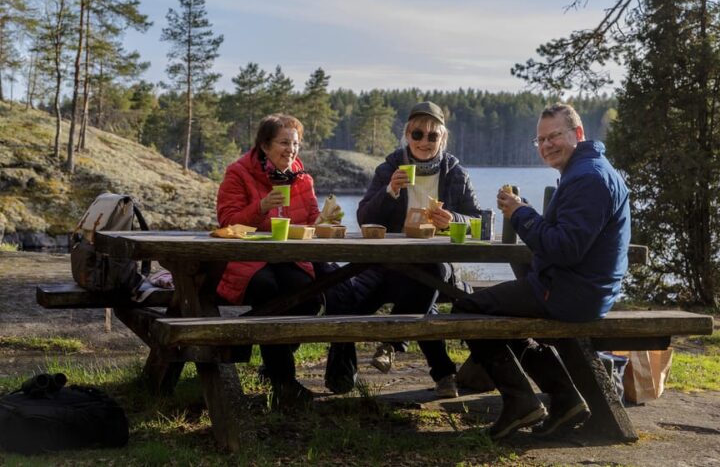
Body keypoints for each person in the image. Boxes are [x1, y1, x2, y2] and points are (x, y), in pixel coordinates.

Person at [453, 103, 631, 439]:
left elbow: (564, 248)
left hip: (573, 293)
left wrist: (522, 214)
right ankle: (564, 399)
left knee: (466, 309)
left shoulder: (588, 178)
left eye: (555, 136)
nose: (547, 145)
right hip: (582, 287)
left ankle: (522, 402)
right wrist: (529, 215)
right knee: (502, 313)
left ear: (577, 134)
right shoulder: (589, 170)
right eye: (541, 140)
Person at [325, 101, 482, 397]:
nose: (424, 142)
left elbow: (477, 222)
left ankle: (394, 342)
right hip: (388, 265)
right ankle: (443, 373)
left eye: (432, 136)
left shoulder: (455, 173)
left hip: (438, 264)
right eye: (417, 134)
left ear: (442, 139)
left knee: (430, 273)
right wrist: (390, 192)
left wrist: (453, 220)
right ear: (407, 136)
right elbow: (364, 219)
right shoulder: (389, 168)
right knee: (362, 302)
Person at [216, 114, 337, 410]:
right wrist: (259, 208)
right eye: (284, 142)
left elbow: (309, 222)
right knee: (268, 291)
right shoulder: (238, 173)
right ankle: (284, 383)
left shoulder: (302, 178)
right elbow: (227, 222)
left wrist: (324, 221)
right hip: (248, 259)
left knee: (308, 297)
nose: (291, 150)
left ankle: (271, 360)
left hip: (289, 259)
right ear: (265, 145)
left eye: (295, 143)